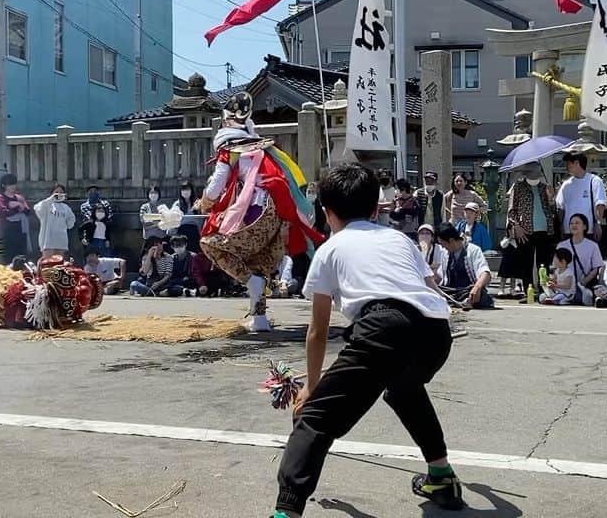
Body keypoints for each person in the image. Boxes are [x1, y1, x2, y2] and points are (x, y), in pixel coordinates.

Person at [271, 162, 463, 518]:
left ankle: (286, 512)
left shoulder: (330, 249)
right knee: (403, 388)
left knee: (315, 418)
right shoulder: (399, 239)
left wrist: (311, 388)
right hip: (436, 331)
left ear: (326, 214)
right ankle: (441, 475)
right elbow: (430, 286)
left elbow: (317, 330)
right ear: (376, 209)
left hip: (384, 326)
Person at [197, 92, 323, 332]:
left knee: (209, 243)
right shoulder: (259, 146)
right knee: (258, 262)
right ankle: (260, 318)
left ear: (225, 122)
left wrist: (204, 202)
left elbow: (217, 184)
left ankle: (251, 284)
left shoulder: (230, 147)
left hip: (258, 210)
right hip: (278, 214)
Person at [505, 162, 556, 295]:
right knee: (526, 263)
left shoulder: (544, 187)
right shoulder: (518, 187)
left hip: (544, 229)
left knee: (543, 263)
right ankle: (529, 291)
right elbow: (511, 211)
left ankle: (543, 290)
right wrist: (517, 226)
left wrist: (551, 199)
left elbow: (552, 211)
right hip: (525, 230)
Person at [436, 222, 494, 309]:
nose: (443, 247)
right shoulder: (445, 253)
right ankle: (456, 301)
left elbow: (485, 273)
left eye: (443, 244)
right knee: (435, 290)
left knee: (478, 293)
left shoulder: (473, 250)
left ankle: (465, 301)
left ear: (451, 241)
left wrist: (477, 287)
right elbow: (440, 277)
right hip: (450, 290)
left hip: (468, 290)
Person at [553, 213, 604, 305]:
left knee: (580, 298)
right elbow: (556, 267)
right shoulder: (562, 245)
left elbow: (596, 269)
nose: (574, 225)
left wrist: (582, 283)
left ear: (584, 226)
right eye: (571, 223)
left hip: (582, 285)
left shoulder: (592, 246)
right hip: (563, 286)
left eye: (577, 223)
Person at [555, 152, 607, 241]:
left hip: (588, 230)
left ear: (577, 163)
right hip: (569, 231)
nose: (566, 166)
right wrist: (561, 225)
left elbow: (600, 204)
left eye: (568, 163)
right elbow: (560, 207)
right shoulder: (566, 185)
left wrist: (598, 223)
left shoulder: (594, 181)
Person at [0, 173, 31, 263]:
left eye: (14, 184)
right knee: (10, 256)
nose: (13, 187)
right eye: (10, 184)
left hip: (22, 230)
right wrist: (17, 208)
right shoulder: (0, 197)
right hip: (9, 230)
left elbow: (27, 210)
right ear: (4, 185)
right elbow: (4, 212)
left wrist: (17, 205)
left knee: (22, 256)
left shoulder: (19, 198)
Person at [35, 184, 75, 259]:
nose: (59, 194)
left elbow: (71, 221)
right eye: (56, 192)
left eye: (61, 192)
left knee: (59, 264)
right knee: (48, 263)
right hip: (48, 240)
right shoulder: (46, 204)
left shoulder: (66, 207)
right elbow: (39, 210)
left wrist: (66, 226)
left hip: (61, 239)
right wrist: (51, 199)